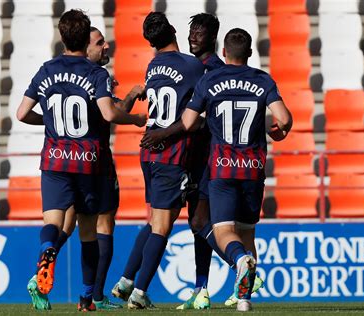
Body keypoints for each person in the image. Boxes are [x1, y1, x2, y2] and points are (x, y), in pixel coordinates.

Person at [17, 9, 146, 312]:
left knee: (53, 222)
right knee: (89, 232)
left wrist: (49, 122)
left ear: (61, 36)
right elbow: (110, 114)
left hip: (54, 160)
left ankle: (48, 250)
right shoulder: (95, 74)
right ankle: (88, 298)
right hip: (88, 161)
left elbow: (21, 113)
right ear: (85, 39)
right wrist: (137, 118)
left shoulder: (47, 69)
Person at [140, 14, 264, 309]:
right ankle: (203, 288)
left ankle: (238, 272)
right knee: (200, 223)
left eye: (201, 32)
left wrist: (161, 133)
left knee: (203, 222)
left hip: (212, 160)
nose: (194, 36)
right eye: (192, 31)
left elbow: (194, 120)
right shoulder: (192, 67)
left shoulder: (213, 72)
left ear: (215, 40)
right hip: (197, 160)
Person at [180, 28, 292, 312]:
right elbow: (284, 118)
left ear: (224, 53)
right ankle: (244, 298)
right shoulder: (263, 80)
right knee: (247, 233)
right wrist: (279, 132)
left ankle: (239, 261)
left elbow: (189, 121)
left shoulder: (210, 79)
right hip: (253, 168)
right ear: (250, 54)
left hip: (223, 168)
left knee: (224, 232)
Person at [111, 12, 205, 309]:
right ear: (174, 30)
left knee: (153, 221)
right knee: (162, 226)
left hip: (148, 151)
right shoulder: (192, 65)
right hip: (170, 152)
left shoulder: (153, 66)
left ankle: (126, 280)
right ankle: (139, 292)